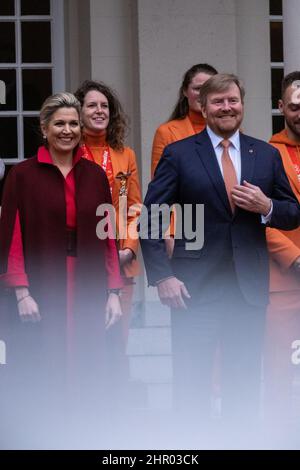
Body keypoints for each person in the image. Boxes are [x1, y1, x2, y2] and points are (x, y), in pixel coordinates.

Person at [140, 73, 300, 444]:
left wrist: (268, 206)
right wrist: (162, 276)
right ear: (203, 106)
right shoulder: (179, 153)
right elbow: (152, 216)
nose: (227, 108)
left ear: (242, 104)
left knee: (243, 383)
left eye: (233, 100)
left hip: (247, 291)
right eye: (218, 102)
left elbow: (292, 212)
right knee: (192, 385)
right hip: (194, 291)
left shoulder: (265, 154)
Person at [0, 92, 123, 436]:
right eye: (59, 124)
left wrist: (114, 291)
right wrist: (21, 291)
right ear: (44, 128)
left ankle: (86, 437)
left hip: (88, 283)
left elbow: (108, 236)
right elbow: (11, 237)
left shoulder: (95, 176)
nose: (67, 130)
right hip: (43, 283)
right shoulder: (22, 175)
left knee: (88, 362)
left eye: (73, 124)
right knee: (45, 363)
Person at [75, 80, 142, 343]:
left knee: (117, 341)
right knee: (85, 340)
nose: (99, 111)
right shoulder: (70, 152)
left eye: (104, 106)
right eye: (91, 105)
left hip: (121, 262)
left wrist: (128, 248)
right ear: (78, 112)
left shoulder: (125, 155)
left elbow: (134, 207)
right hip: (81, 261)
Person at [264, 71, 300, 430]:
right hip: (284, 280)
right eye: (294, 106)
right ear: (281, 108)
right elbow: (258, 219)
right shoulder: (266, 154)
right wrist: (294, 257)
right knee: (279, 367)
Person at [151, 63, 218, 178]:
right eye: (197, 88)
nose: (203, 94)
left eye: (209, 89)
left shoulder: (229, 131)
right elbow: (160, 184)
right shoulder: (166, 132)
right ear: (185, 91)